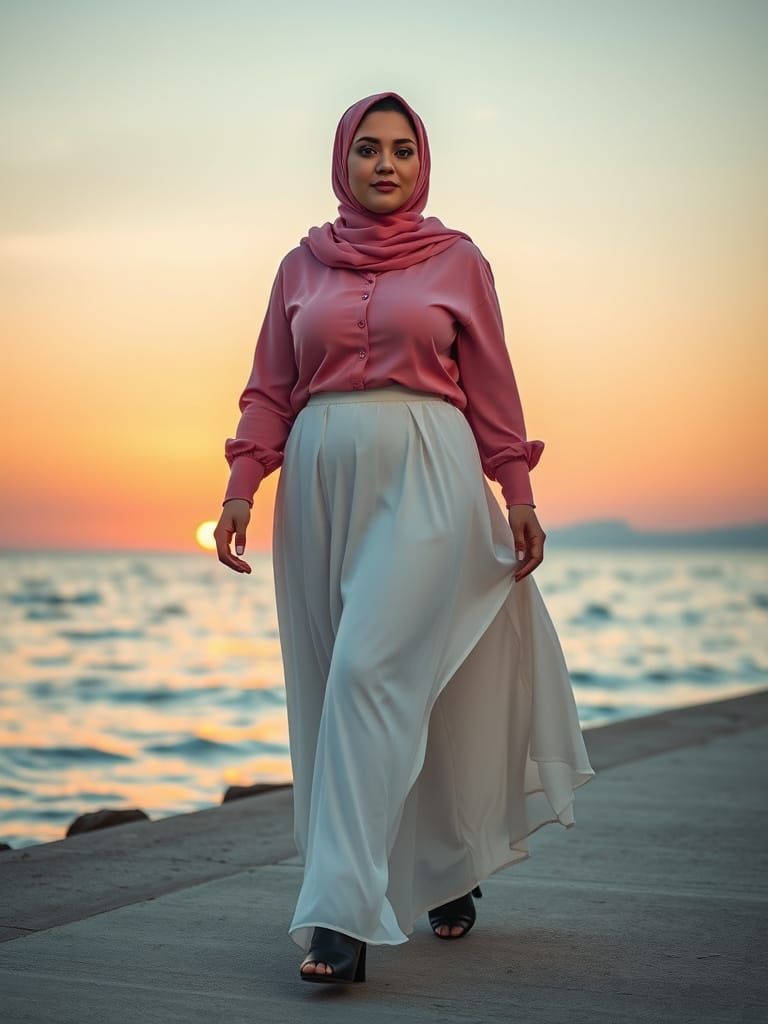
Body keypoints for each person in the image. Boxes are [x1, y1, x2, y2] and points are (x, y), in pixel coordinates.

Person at [215, 90, 595, 985]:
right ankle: (446, 867)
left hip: (428, 475)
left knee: (367, 674)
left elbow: (494, 381)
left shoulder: (459, 262)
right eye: (368, 150)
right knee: (356, 685)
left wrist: (518, 489)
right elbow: (269, 386)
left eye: (403, 152)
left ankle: (340, 917)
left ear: (423, 164)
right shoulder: (299, 267)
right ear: (341, 161)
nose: (385, 165)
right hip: (316, 487)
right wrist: (241, 484)